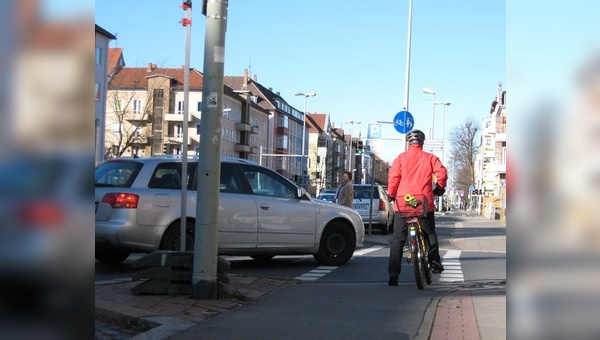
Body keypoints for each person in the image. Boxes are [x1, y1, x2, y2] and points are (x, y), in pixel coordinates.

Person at [386, 129, 448, 286]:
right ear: (422, 143)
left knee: (398, 238)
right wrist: (439, 188)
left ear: (409, 143)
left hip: (403, 202)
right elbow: (442, 173)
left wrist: (392, 194)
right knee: (429, 232)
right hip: (423, 202)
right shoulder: (430, 158)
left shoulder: (400, 158)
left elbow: (393, 178)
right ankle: (434, 261)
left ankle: (394, 272)